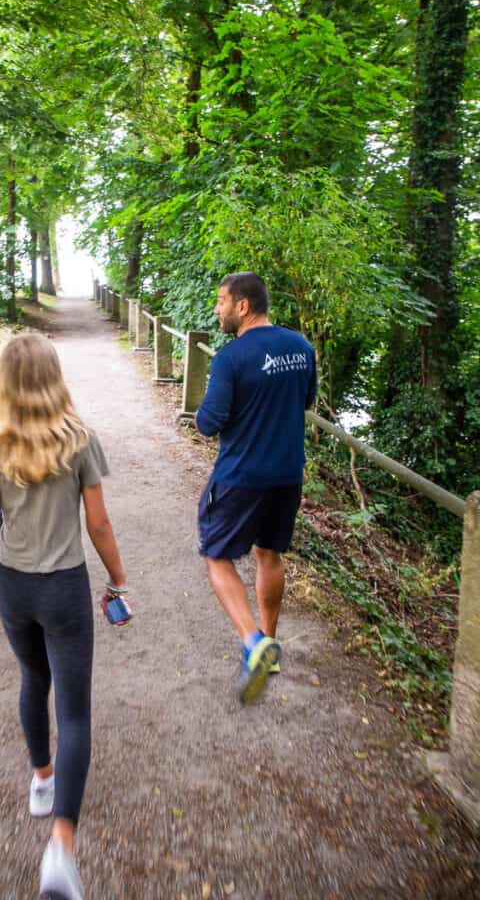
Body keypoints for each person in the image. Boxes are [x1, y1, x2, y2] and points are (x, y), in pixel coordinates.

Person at [0, 333, 128, 900]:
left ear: (3, 380)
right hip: (66, 589)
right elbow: (98, 525)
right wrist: (119, 578)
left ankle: (42, 779)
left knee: (33, 679)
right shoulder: (78, 440)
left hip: (15, 588)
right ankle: (61, 848)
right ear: (54, 377)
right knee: (74, 712)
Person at [195, 272, 316, 704]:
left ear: (243, 306)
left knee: (216, 555)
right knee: (269, 553)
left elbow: (209, 423)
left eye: (221, 301)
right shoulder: (302, 347)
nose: (217, 309)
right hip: (287, 475)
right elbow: (305, 401)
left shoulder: (232, 358)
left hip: (241, 477)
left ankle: (254, 642)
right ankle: (270, 642)